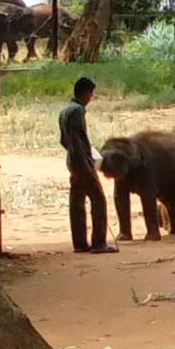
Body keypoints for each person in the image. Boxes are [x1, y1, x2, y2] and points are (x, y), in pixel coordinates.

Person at [58, 77, 118, 254]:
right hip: (82, 163)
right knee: (98, 199)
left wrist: (73, 156)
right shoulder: (77, 111)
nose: (91, 98)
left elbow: (64, 140)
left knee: (76, 202)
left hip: (72, 162)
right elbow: (76, 139)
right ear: (85, 93)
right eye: (90, 94)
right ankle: (99, 242)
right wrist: (86, 162)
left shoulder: (63, 111)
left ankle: (80, 243)